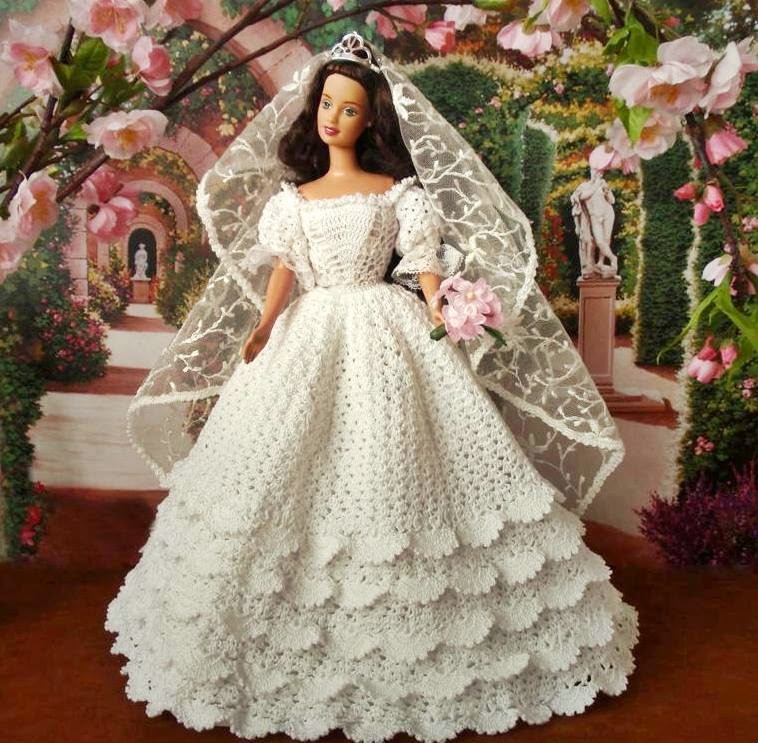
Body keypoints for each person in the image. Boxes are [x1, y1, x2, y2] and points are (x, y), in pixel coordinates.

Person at [105, 30, 639, 742]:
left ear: (370, 120)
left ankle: (420, 628)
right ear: (314, 111)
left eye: (350, 109)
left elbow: (422, 263)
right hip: (310, 330)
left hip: (388, 331)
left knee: (396, 455)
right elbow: (284, 271)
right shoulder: (294, 200)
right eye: (327, 104)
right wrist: (262, 328)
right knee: (277, 461)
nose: (334, 118)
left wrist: (443, 308)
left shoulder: (398, 194)